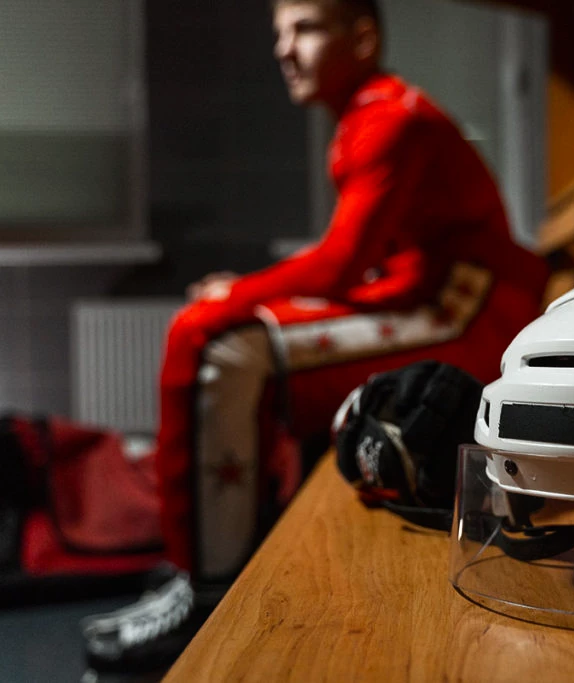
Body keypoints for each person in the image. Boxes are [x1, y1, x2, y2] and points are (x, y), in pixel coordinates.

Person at [81, 0, 549, 671]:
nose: (283, 49)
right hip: (431, 295)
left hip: (467, 315)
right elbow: (362, 264)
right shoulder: (367, 114)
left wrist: (234, 291)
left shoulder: (391, 117)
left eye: (303, 28)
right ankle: (215, 561)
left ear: (361, 37)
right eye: (278, 33)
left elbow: (342, 262)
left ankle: (207, 591)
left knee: (214, 336)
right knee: (231, 329)